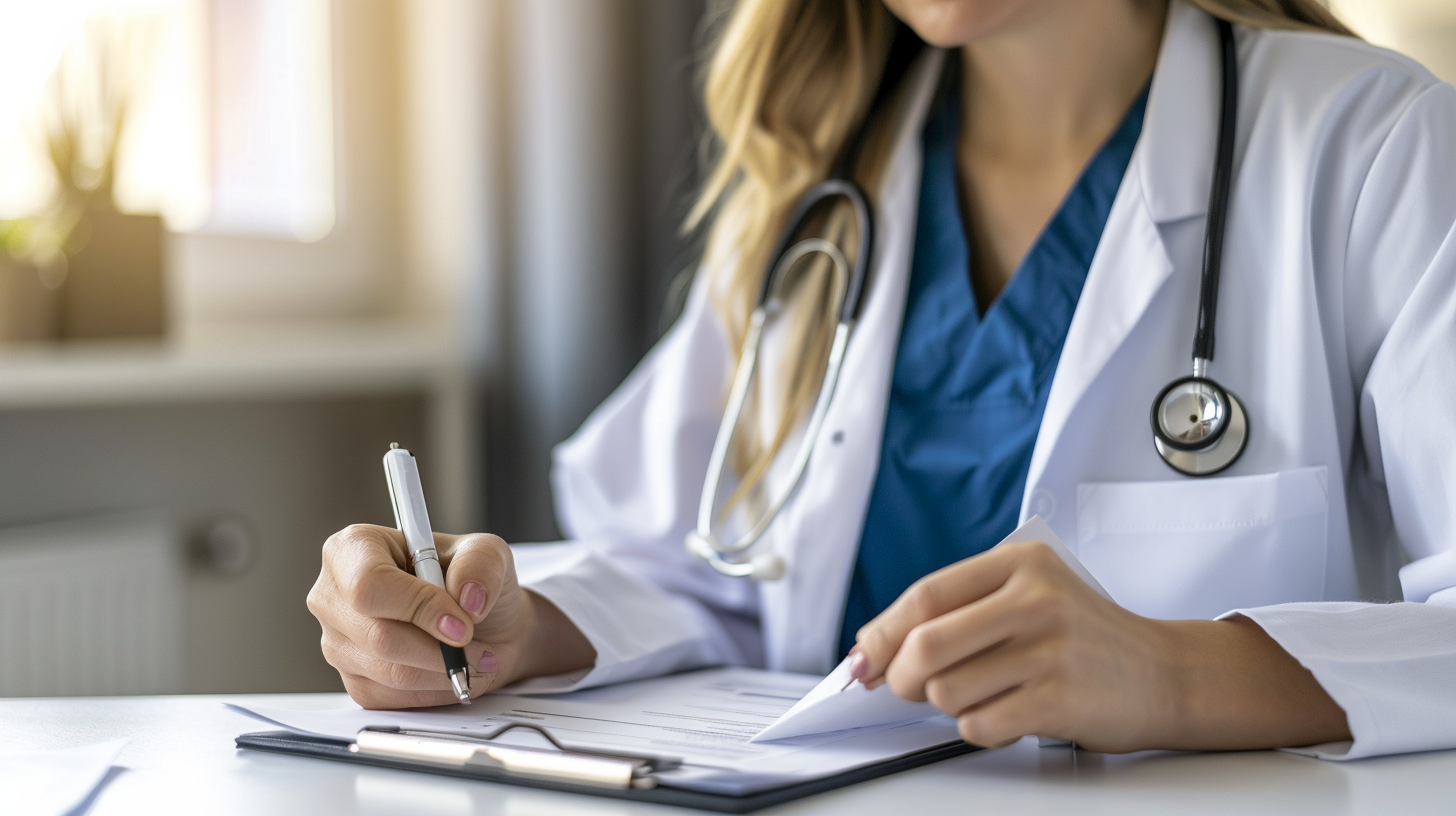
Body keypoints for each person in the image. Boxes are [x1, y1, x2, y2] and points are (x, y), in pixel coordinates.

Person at [307, 0, 1456, 758]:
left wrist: (1174, 675)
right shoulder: (816, 189)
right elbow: (709, 578)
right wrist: (504, 625)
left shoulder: (1374, 146)